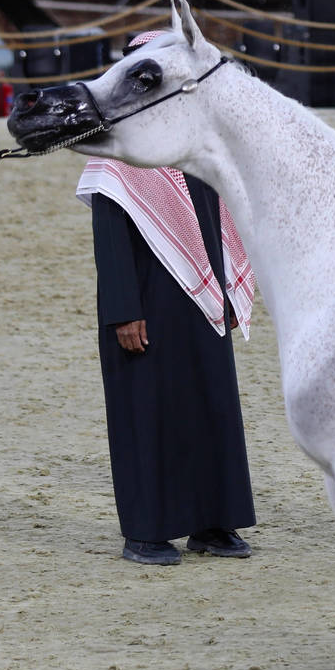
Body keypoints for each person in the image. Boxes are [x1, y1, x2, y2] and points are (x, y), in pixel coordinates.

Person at [75, 30, 258, 567]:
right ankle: (146, 532)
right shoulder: (116, 153)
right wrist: (123, 312)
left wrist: (228, 288)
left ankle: (212, 524)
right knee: (147, 415)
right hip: (147, 304)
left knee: (211, 408)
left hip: (203, 298)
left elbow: (224, 221)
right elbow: (109, 243)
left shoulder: (198, 146)